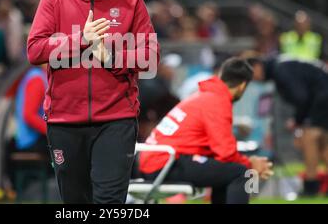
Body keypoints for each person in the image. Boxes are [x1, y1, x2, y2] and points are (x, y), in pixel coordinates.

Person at [27, 0, 159, 204]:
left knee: (109, 203)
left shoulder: (131, 0)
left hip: (116, 121)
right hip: (64, 121)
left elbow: (150, 56)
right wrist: (81, 40)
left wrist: (110, 57)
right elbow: (35, 50)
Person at [138, 58, 273, 204]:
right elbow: (226, 153)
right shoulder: (217, 102)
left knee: (227, 171)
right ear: (242, 86)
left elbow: (219, 153)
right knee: (241, 172)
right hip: (164, 164)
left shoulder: (202, 96)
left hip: (155, 160)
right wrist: (250, 164)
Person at [247, 56, 328, 196]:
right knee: (323, 145)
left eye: (251, 75)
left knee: (309, 139)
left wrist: (298, 120)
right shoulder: (282, 66)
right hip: (321, 99)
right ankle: (312, 185)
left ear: (257, 66)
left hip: (321, 100)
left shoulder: (281, 70)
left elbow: (301, 97)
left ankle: (311, 186)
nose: (254, 80)